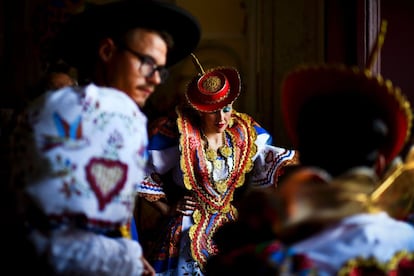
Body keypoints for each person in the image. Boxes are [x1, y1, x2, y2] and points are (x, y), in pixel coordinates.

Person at [8, 0, 201, 275]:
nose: (156, 80)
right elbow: (59, 243)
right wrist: (125, 259)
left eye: (160, 69)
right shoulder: (111, 111)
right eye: (147, 63)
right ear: (108, 51)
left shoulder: (55, 106)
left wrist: (128, 255)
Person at [136, 53, 299, 275]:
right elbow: (138, 170)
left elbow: (276, 159)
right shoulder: (181, 135)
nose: (221, 118)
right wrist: (167, 208)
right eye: (212, 111)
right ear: (199, 111)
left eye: (226, 108)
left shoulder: (243, 132)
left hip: (229, 227)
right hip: (186, 228)